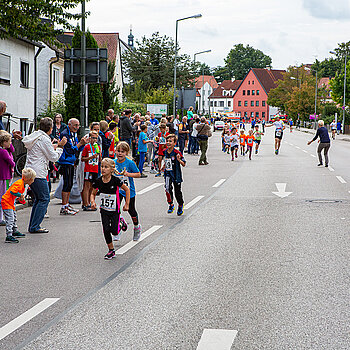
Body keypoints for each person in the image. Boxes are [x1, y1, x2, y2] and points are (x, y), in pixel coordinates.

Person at [22, 117, 67, 233]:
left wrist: (54, 147)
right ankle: (35, 226)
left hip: (31, 170)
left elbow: (42, 150)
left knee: (38, 198)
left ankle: (33, 225)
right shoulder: (44, 139)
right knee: (44, 198)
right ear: (50, 129)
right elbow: (53, 157)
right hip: (38, 172)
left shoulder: (35, 136)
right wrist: (61, 147)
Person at [91, 158, 130, 260]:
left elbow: (127, 190)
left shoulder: (115, 180)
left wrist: (126, 204)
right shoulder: (98, 181)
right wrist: (93, 201)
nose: (103, 169)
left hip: (114, 210)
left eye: (106, 167)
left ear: (112, 169)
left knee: (115, 231)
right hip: (104, 210)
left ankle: (121, 223)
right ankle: (111, 250)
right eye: (102, 167)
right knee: (106, 230)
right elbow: (92, 193)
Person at [58, 118, 88, 215]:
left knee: (70, 184)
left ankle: (66, 204)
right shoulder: (65, 133)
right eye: (75, 125)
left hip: (71, 161)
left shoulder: (73, 133)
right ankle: (64, 206)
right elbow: (70, 149)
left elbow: (77, 148)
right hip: (65, 161)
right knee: (67, 183)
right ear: (69, 124)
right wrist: (80, 144)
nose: (77, 127)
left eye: (78, 125)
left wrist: (82, 144)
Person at [114, 141, 142, 241]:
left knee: (131, 210)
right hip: (118, 190)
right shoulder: (114, 162)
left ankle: (136, 227)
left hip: (129, 190)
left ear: (126, 153)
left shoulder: (129, 163)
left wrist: (128, 174)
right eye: (118, 151)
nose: (120, 153)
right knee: (115, 209)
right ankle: (117, 230)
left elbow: (138, 174)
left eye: (122, 152)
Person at [1, 168, 36, 243]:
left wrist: (21, 199)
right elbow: (12, 191)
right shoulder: (19, 183)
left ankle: (14, 231)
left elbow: (16, 195)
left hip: (11, 202)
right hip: (7, 202)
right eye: (32, 179)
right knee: (10, 219)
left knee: (14, 217)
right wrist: (20, 195)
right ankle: (9, 235)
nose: (33, 181)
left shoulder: (22, 184)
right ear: (27, 179)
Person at [162, 134, 186, 216]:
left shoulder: (177, 152)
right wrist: (164, 166)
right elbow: (166, 160)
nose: (168, 143)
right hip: (168, 173)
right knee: (167, 188)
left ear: (175, 143)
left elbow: (184, 164)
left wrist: (179, 160)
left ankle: (180, 205)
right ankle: (171, 204)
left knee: (177, 191)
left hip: (176, 174)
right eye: (167, 141)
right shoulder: (165, 151)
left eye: (170, 141)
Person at [81, 131, 101, 210]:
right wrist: (90, 157)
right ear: (89, 138)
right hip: (88, 169)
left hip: (95, 168)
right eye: (93, 138)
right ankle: (86, 203)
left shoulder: (97, 147)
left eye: (96, 138)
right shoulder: (87, 147)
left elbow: (99, 158)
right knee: (87, 186)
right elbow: (82, 159)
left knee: (93, 186)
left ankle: (91, 202)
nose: (94, 140)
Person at [0, 131, 15, 226]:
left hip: (2, 176)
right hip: (4, 176)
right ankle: (1, 218)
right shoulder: (4, 152)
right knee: (3, 197)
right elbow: (11, 162)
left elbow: (12, 149)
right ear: (4, 142)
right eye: (9, 141)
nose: (10, 143)